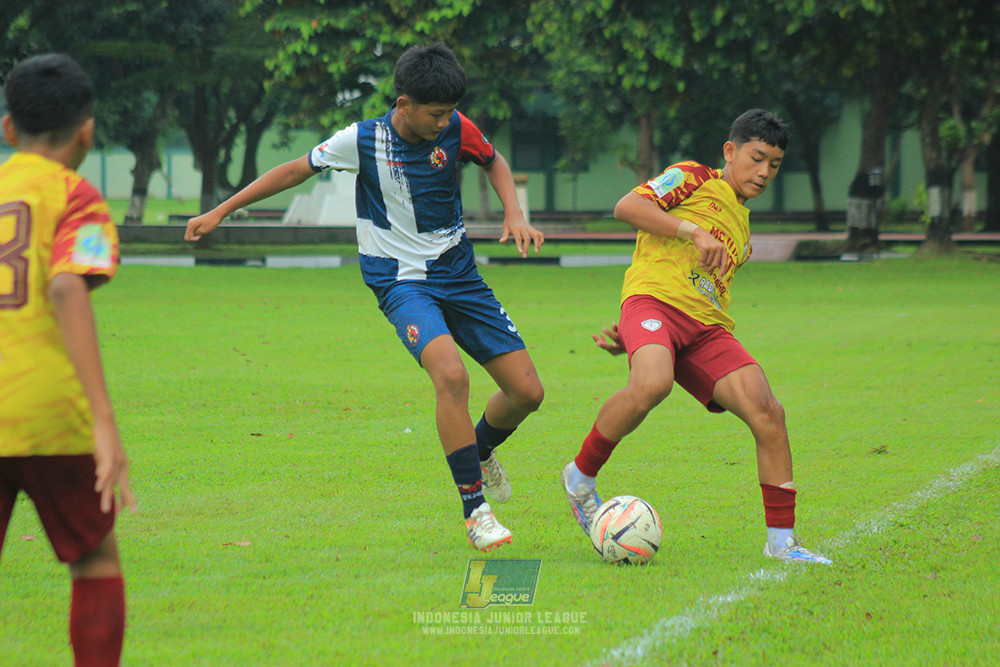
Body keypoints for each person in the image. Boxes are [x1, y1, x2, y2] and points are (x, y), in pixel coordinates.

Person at [185, 43, 544, 552]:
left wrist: (514, 213)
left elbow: (494, 160)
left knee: (527, 393)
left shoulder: (457, 128)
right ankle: (475, 510)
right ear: (403, 104)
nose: (445, 123)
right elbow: (293, 169)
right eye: (436, 114)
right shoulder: (362, 140)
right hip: (400, 281)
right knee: (451, 375)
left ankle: (479, 451)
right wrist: (222, 211)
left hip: (460, 276)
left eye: (449, 113)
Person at [561, 109, 830, 564]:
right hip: (652, 303)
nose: (764, 172)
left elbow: (705, 289)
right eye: (757, 158)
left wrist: (641, 342)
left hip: (705, 329)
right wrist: (692, 228)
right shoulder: (692, 177)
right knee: (651, 384)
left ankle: (782, 543)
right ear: (731, 151)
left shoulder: (742, 232)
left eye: (775, 164)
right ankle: (579, 477)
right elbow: (627, 207)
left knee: (769, 413)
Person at [0, 53, 137, 667]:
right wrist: (104, 422)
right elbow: (65, 285)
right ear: (87, 131)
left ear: (8, 129)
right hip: (51, 414)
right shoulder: (77, 198)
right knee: (94, 561)